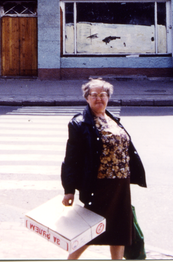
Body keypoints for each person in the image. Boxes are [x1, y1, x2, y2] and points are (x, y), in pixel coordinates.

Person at [61, 78, 147, 260]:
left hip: (120, 184)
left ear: (108, 97)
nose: (99, 99)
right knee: (89, 230)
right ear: (87, 98)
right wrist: (69, 190)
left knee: (120, 230)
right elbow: (71, 159)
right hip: (99, 185)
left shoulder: (112, 119)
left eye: (103, 95)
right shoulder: (79, 123)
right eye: (94, 95)